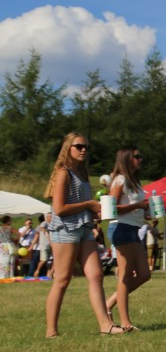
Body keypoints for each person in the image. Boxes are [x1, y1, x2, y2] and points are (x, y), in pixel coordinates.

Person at [43, 133, 123, 336]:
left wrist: (94, 211)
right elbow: (59, 208)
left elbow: (78, 204)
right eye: (78, 146)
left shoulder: (82, 173)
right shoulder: (64, 173)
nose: (83, 150)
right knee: (62, 279)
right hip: (65, 229)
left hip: (85, 227)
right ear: (67, 148)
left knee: (96, 275)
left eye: (86, 146)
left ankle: (106, 326)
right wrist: (88, 204)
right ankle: (51, 331)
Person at [105, 147, 152, 332]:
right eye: (137, 156)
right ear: (126, 158)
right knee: (125, 276)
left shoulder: (134, 181)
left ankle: (109, 304)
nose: (141, 159)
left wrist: (144, 211)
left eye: (141, 156)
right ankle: (125, 323)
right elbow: (111, 208)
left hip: (133, 228)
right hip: (121, 228)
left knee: (144, 274)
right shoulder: (120, 179)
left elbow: (131, 206)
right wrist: (138, 205)